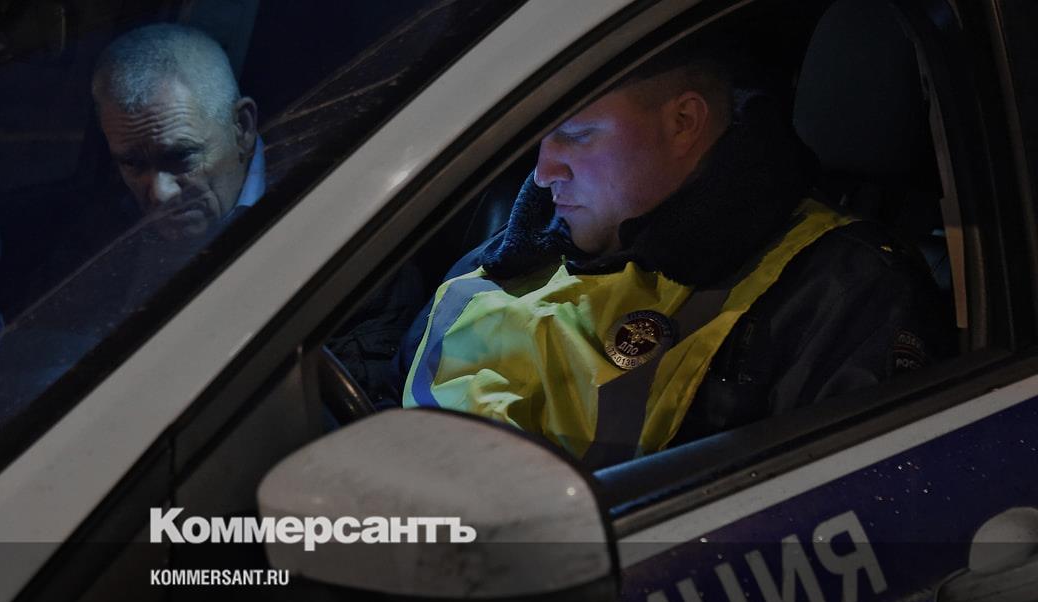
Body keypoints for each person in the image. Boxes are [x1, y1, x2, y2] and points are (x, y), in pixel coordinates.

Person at [401, 41, 947, 467]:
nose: (543, 173)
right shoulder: (508, 255)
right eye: (540, 139)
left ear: (683, 123)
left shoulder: (841, 288)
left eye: (575, 134)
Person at [91, 23, 265, 242]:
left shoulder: (301, 187)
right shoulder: (101, 235)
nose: (162, 194)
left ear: (242, 127)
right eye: (132, 164)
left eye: (181, 156)